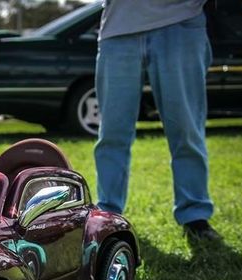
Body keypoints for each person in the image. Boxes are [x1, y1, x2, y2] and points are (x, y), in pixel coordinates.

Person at [94, 0, 221, 241]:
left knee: (186, 129)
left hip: (181, 23)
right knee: (112, 133)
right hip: (118, 28)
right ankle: (107, 215)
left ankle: (195, 216)